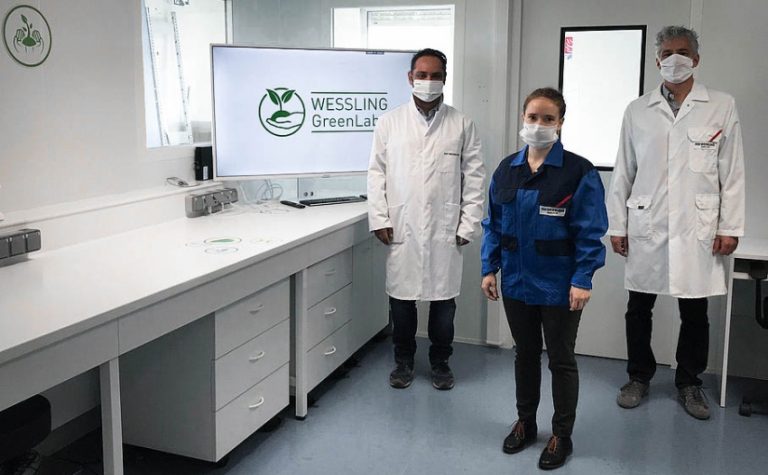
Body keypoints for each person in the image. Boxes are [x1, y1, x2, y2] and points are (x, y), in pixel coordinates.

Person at [607, 26, 745, 420]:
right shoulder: (637, 110)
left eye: (682, 52)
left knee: (695, 310)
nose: (674, 59)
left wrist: (729, 225)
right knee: (639, 306)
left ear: (696, 59)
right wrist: (618, 224)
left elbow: (732, 170)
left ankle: (689, 382)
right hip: (647, 221)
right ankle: (639, 376)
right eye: (667, 52)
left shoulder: (720, 105)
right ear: (657, 61)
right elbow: (623, 171)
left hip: (697, 226)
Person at [481, 87, 608, 470]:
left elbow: (590, 231)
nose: (538, 125)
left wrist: (583, 279)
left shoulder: (577, 171)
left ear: (561, 123)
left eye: (548, 118)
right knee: (524, 355)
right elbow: (493, 223)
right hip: (517, 282)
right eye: (533, 117)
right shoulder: (507, 169)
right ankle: (525, 422)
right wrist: (489, 267)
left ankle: (561, 434)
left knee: (561, 358)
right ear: (523, 119)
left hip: (560, 285)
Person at [367, 48, 485, 391]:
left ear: (445, 79)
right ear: (410, 78)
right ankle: (403, 362)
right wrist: (379, 218)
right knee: (402, 303)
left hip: (444, 230)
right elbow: (376, 173)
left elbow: (475, 178)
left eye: (435, 75)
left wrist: (468, 224)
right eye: (422, 75)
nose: (428, 82)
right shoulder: (390, 123)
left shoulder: (461, 124)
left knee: (443, 304)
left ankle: (440, 363)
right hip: (401, 226)